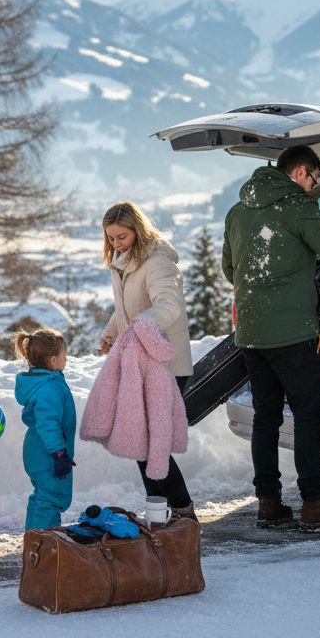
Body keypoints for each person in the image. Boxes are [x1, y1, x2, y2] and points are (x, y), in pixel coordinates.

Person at [221, 146, 320, 532]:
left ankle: (269, 503)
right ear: (301, 171)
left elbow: (230, 269)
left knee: (266, 418)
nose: (313, 187)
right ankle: (314, 503)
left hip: (252, 334)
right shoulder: (296, 207)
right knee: (308, 415)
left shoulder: (238, 212)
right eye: (314, 179)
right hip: (291, 333)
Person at [96, 202, 197, 521]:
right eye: (110, 238)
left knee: (151, 446)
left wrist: (142, 325)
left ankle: (183, 514)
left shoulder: (157, 262)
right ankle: (160, 513)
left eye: (122, 237)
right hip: (139, 362)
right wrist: (112, 332)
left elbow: (169, 306)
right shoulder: (124, 261)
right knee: (142, 445)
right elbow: (126, 305)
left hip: (165, 364)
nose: (116, 244)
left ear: (137, 230)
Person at [14, 328, 77, 530]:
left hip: (38, 448)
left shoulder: (42, 382)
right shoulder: (49, 387)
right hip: (47, 452)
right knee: (50, 498)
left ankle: (34, 539)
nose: (66, 360)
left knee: (42, 496)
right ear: (52, 360)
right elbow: (48, 423)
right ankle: (45, 543)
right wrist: (58, 452)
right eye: (64, 356)